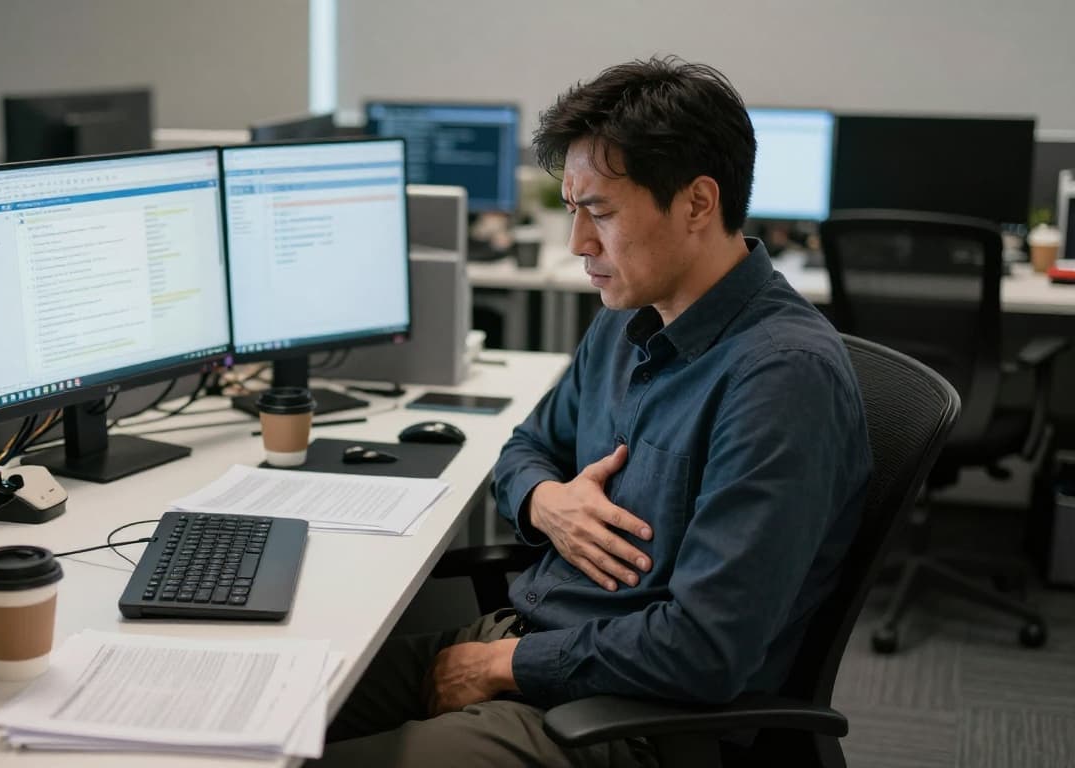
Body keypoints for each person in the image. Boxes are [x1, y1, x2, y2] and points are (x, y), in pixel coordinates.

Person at [313, 56, 871, 768]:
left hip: (631, 720)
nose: (579, 244)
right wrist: (547, 502)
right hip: (533, 639)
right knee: (275, 711)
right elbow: (522, 449)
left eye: (600, 213)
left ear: (698, 204)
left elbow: (705, 651)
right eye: (573, 209)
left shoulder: (781, 380)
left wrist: (498, 667)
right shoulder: (626, 314)